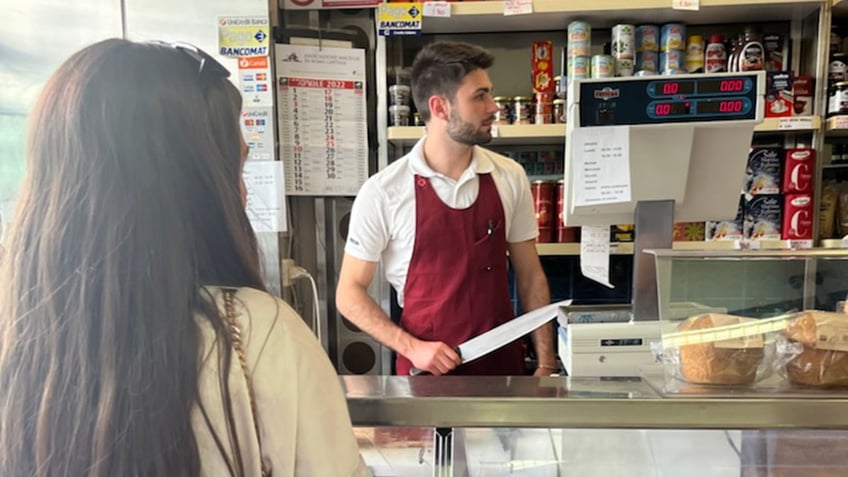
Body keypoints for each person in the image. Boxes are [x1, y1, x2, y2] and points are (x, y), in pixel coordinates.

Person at [0, 39, 369, 477]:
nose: (245, 192)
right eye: (235, 167)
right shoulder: (258, 334)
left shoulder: (18, 340)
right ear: (194, 185)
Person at [336, 41, 555, 376]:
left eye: (490, 94)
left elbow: (530, 277)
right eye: (479, 96)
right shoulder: (384, 192)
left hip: (502, 372)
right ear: (440, 108)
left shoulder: (509, 177)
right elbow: (348, 294)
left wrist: (546, 362)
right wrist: (412, 348)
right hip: (424, 376)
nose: (494, 107)